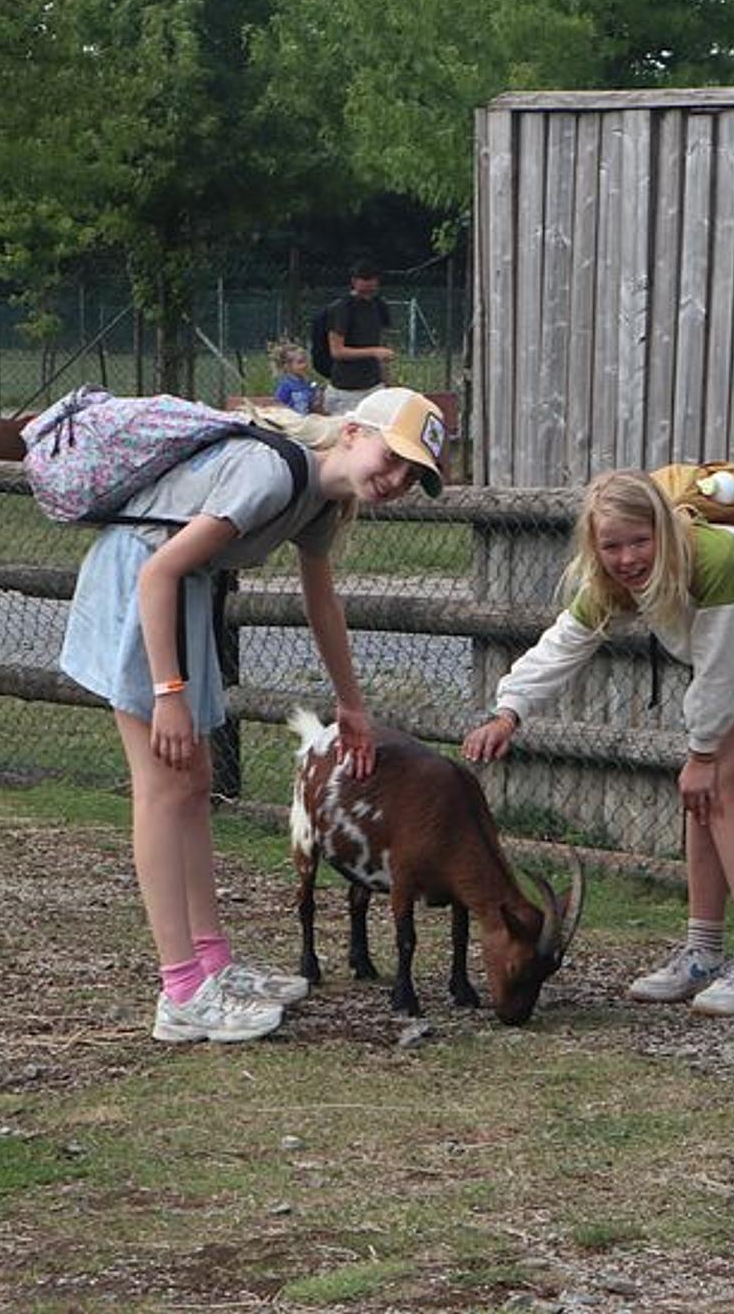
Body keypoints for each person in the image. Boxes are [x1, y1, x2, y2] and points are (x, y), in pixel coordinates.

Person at [60, 387, 448, 1043]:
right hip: (140, 586)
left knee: (193, 783)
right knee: (161, 788)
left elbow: (322, 603)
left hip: (181, 595)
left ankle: (213, 964)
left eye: (413, 475)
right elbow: (156, 573)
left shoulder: (323, 500)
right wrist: (168, 693)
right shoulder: (272, 473)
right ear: (354, 433)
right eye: (393, 458)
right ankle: (182, 992)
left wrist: (351, 705)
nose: (397, 480)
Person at [462, 468, 734, 1017]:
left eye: (639, 541)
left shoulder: (714, 561)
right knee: (700, 792)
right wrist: (509, 711)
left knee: (719, 786)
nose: (627, 559)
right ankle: (703, 952)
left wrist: (704, 754)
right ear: (594, 547)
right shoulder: (610, 581)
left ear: (663, 529)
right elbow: (564, 644)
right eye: (612, 546)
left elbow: (720, 670)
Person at [322, 260, 395, 416]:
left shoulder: (380, 306)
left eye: (372, 280)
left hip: (374, 384)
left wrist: (388, 380)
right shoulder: (342, 308)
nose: (369, 285)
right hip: (346, 388)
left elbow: (382, 345)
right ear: (354, 281)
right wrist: (373, 352)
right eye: (364, 280)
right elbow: (337, 351)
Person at [270, 339, 318, 415]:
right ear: (287, 366)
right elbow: (279, 405)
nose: (305, 365)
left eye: (305, 361)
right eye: (300, 362)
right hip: (292, 420)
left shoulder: (307, 383)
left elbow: (311, 404)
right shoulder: (286, 385)